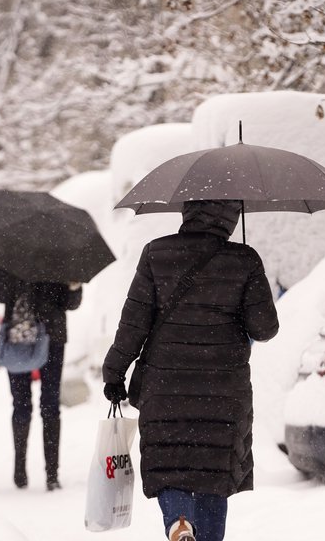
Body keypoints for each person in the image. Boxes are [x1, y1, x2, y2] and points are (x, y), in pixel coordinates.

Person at [102, 200, 279, 541]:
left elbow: (133, 323)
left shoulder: (156, 254)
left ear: (187, 210)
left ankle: (179, 521)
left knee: (171, 466)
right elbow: (265, 329)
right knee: (213, 470)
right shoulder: (244, 260)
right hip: (223, 392)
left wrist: (115, 372)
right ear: (231, 216)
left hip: (164, 387)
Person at [0, 268, 82, 491]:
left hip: (28, 335)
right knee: (43, 406)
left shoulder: (12, 256)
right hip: (44, 335)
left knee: (33, 405)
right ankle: (44, 474)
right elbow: (70, 303)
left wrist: (72, 286)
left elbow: (0, 294)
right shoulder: (60, 258)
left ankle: (35, 471)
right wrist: (71, 287)